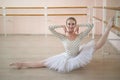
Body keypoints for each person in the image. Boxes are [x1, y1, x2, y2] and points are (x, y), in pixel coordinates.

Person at [10, 17, 114, 73]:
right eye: (69, 24)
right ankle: (22, 64)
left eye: (73, 24)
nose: (71, 26)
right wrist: (61, 26)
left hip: (78, 55)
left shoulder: (79, 35)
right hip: (67, 57)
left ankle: (108, 28)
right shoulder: (62, 37)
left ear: (75, 25)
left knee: (97, 46)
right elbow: (50, 28)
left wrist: (79, 25)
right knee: (44, 63)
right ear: (66, 25)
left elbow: (90, 25)